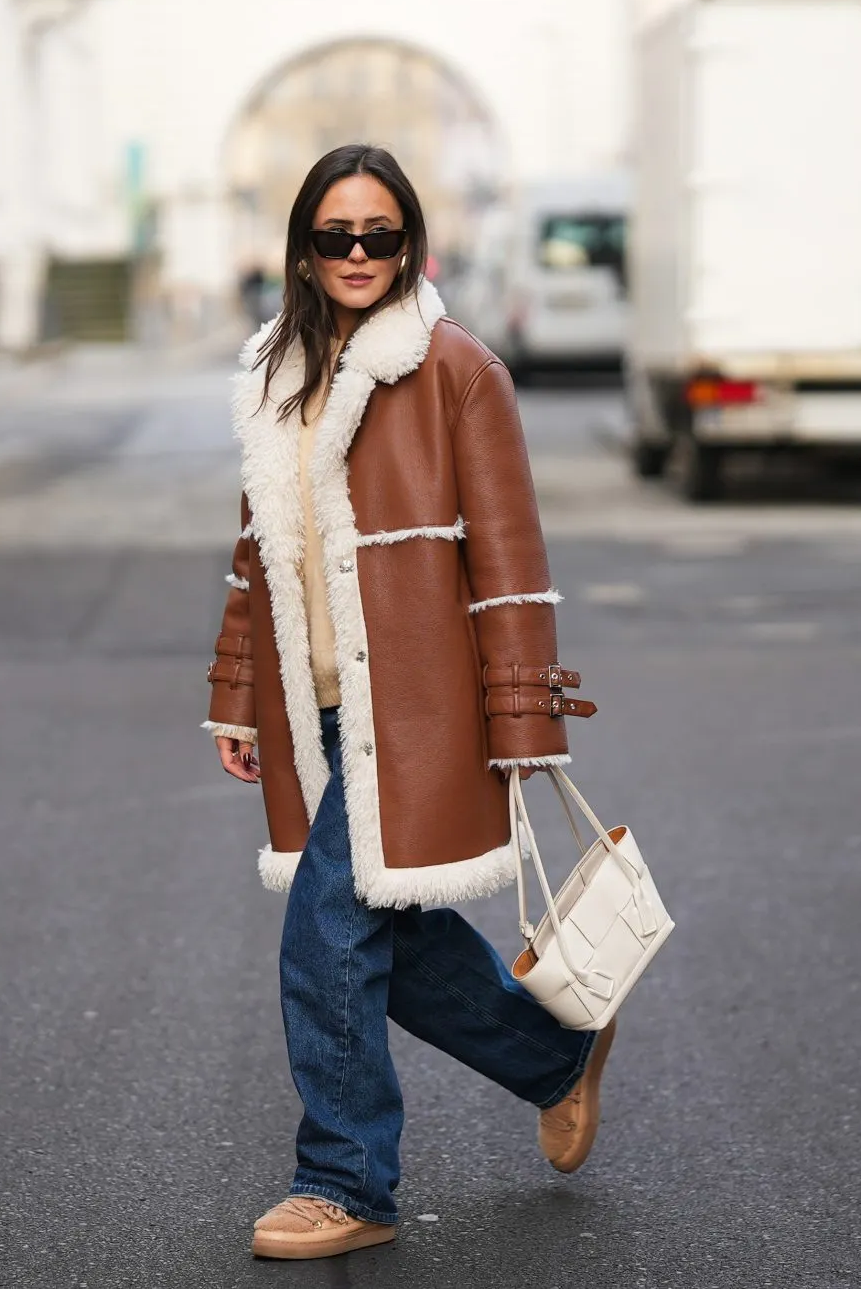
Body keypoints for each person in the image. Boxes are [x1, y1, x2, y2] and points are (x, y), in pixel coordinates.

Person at [202, 145, 612, 1263]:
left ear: (409, 243)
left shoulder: (458, 371)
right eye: (334, 235)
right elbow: (257, 556)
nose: (356, 255)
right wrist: (238, 695)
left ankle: (346, 1180)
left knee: (327, 932)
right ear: (302, 248)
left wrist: (521, 721)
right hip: (316, 709)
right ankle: (556, 1061)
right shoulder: (272, 374)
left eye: (377, 234)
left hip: (421, 714)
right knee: (397, 931)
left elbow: (511, 562)